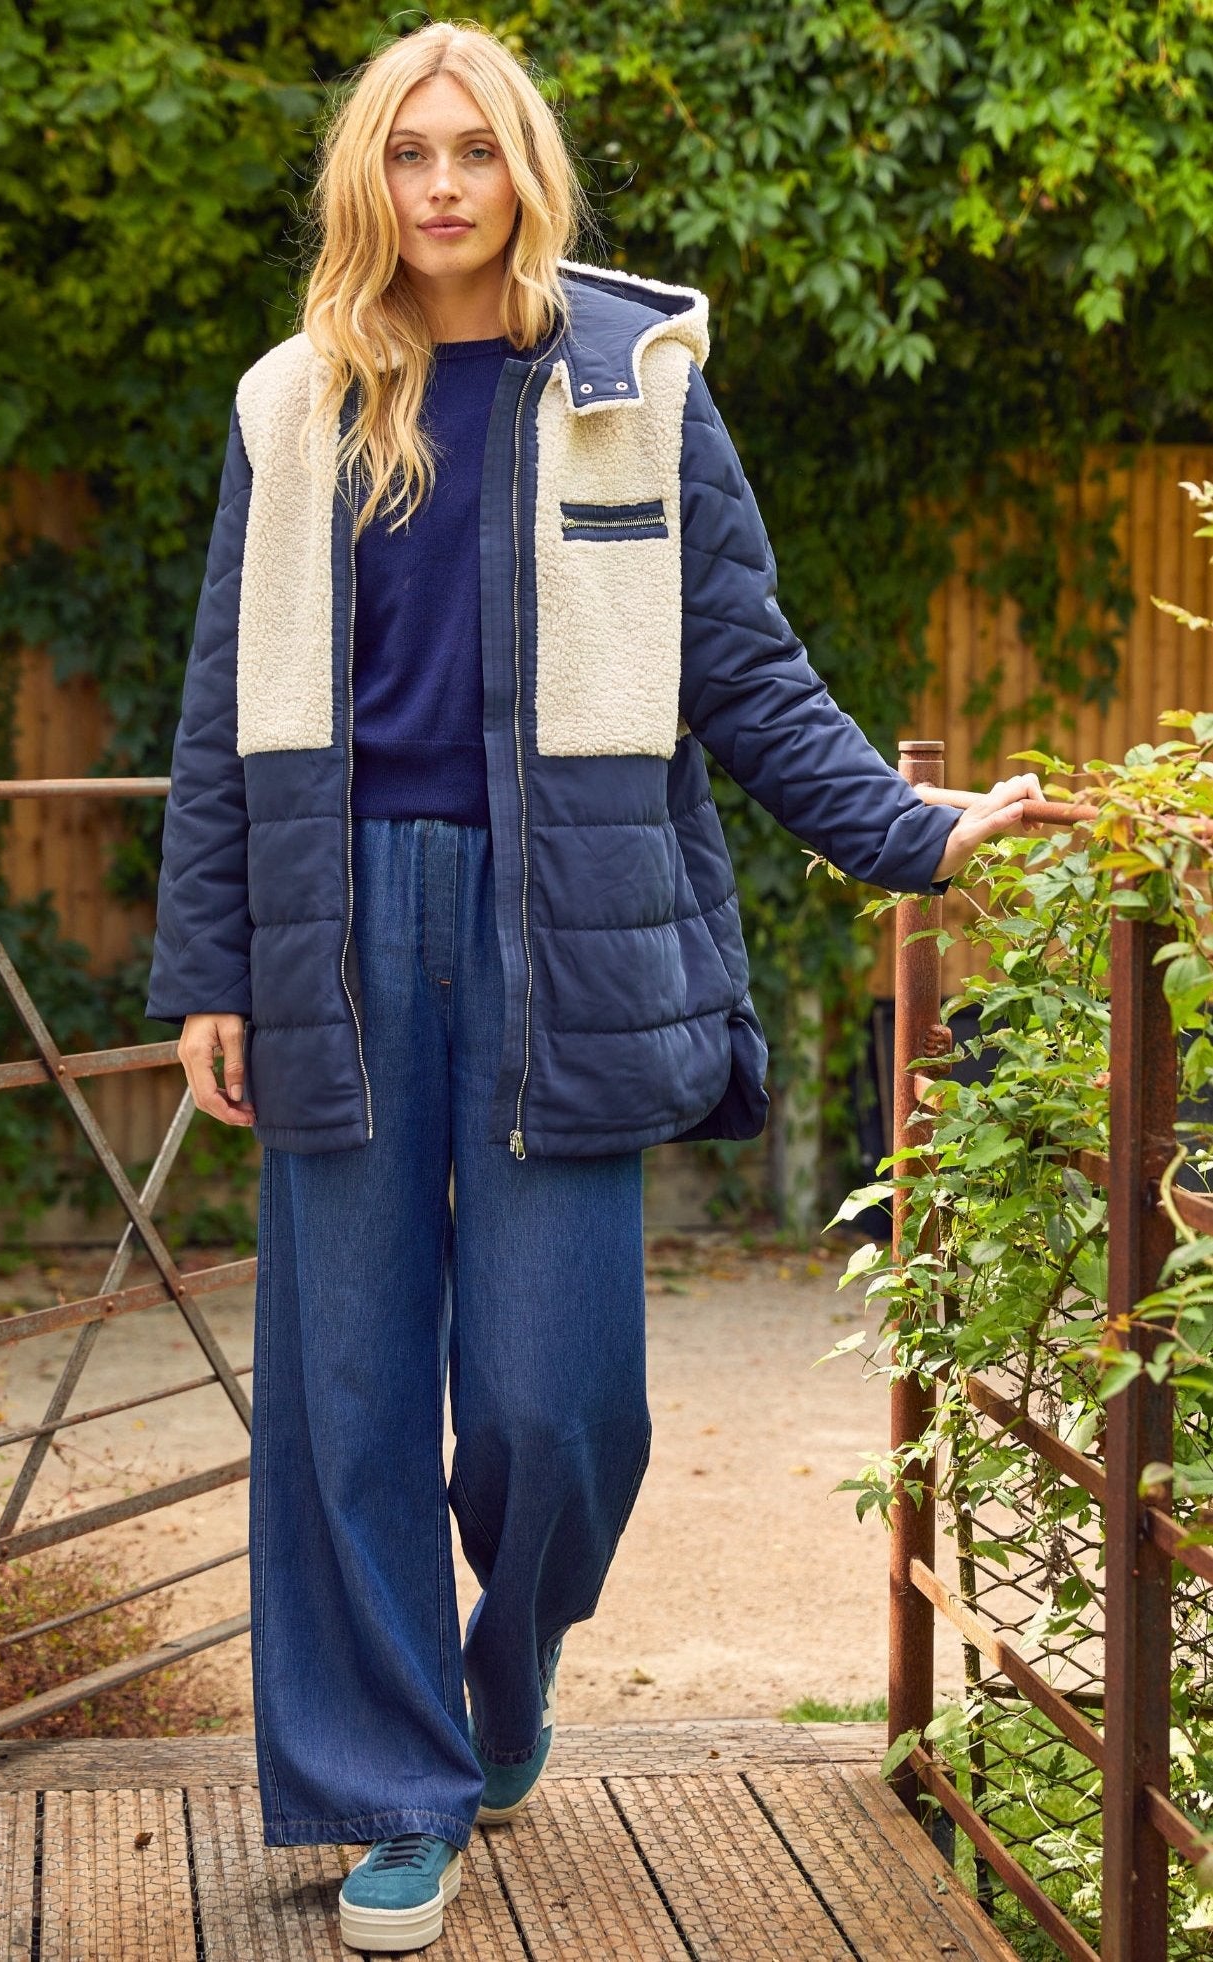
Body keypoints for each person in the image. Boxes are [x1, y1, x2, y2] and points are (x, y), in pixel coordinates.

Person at [145, 20, 1041, 1954]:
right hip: (334, 927)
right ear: (368, 179)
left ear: (524, 169)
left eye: (472, 149)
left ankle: (508, 1668)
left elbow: (744, 665)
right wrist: (210, 960)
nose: (440, 183)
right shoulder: (292, 402)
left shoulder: (636, 382)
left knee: (559, 1407)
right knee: (349, 1389)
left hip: (565, 928)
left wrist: (915, 831)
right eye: (408, 152)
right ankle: (396, 1792)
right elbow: (223, 705)